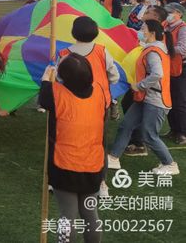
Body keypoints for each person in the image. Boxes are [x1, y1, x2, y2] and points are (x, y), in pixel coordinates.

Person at [38, 54, 106, 243]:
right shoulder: (100, 91)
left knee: (67, 216)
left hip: (65, 165)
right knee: (90, 213)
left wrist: (46, 77)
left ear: (64, 77)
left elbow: (43, 98)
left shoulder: (55, 93)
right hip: (93, 165)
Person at [108, 19, 179, 176]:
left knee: (149, 135)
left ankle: (169, 164)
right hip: (145, 97)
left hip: (154, 100)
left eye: (143, 29)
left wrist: (139, 85)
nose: (141, 31)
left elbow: (157, 74)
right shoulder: (154, 48)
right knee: (126, 125)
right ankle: (113, 157)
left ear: (152, 33)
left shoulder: (153, 51)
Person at [57, 16, 120, 118]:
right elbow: (114, 76)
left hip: (73, 101)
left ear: (73, 32)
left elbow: (59, 78)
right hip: (100, 100)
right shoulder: (102, 51)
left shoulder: (64, 54)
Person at [165, 3, 186, 145]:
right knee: (169, 100)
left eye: (170, 12)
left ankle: (183, 132)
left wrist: (165, 49)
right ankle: (174, 129)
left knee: (179, 101)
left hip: (180, 68)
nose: (168, 15)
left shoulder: (183, 28)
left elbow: (183, 48)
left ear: (179, 13)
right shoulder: (167, 27)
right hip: (169, 67)